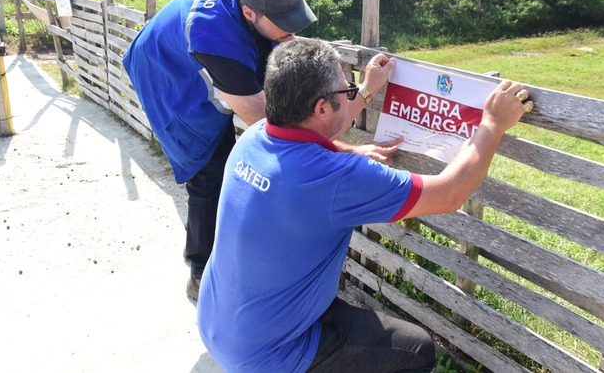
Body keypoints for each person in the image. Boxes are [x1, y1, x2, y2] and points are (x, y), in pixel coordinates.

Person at [197, 38, 532, 372]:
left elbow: (313, 140)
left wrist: (368, 92)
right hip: (270, 355)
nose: (350, 94)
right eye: (347, 91)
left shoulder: (256, 138)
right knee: (416, 351)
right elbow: (451, 192)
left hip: (218, 323)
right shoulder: (339, 179)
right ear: (322, 108)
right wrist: (492, 124)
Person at [122, 0, 396, 300]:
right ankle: (200, 272)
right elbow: (280, 130)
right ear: (250, 12)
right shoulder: (215, 39)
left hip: (196, 51)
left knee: (231, 156)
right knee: (208, 170)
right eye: (285, 26)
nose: (292, 34)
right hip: (166, 75)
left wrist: (362, 90)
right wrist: (351, 145)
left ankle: (222, 249)